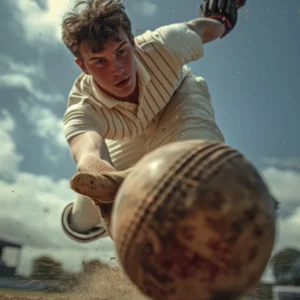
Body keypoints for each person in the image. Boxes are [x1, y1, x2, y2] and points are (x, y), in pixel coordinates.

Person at [60, 0, 246, 242]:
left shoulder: (165, 44)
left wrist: (221, 19)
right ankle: (84, 218)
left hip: (178, 99)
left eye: (121, 52)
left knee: (198, 155)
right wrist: (110, 183)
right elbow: (89, 154)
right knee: (86, 214)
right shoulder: (83, 106)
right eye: (99, 61)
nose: (117, 69)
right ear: (82, 66)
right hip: (130, 137)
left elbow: (202, 29)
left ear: (133, 43)